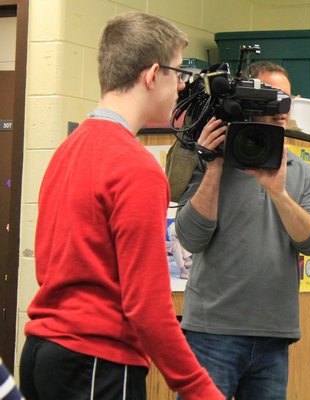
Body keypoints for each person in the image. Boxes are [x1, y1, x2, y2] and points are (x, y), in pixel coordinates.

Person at [19, 11, 224, 400]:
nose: (181, 87)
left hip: (41, 357)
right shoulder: (136, 167)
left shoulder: (68, 150)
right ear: (151, 75)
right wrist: (201, 390)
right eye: (177, 73)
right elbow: (147, 308)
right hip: (94, 362)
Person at [175, 61, 310, 400]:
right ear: (246, 102)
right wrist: (214, 166)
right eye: (272, 99)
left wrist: (279, 193)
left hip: (273, 337)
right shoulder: (208, 161)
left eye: (287, 100)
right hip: (210, 332)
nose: (281, 110)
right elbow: (190, 237)